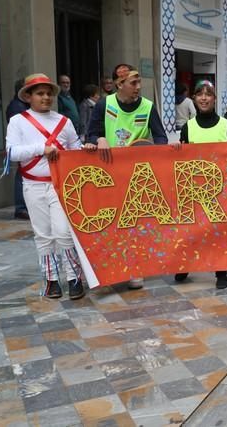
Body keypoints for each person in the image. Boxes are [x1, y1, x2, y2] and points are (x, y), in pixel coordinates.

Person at [85, 63, 168, 289]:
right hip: (109, 175)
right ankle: (110, 268)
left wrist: (153, 151)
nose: (138, 87)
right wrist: (98, 139)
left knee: (135, 225)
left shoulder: (148, 107)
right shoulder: (104, 105)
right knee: (110, 225)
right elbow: (90, 134)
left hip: (137, 178)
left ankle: (134, 269)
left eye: (139, 82)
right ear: (119, 85)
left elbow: (161, 139)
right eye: (133, 83)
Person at [5, 73, 86, 299]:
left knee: (64, 233)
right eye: (40, 93)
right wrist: (42, 148)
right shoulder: (18, 121)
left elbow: (75, 149)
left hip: (61, 186)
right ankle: (51, 280)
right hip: (32, 186)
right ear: (28, 96)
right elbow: (11, 153)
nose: (46, 97)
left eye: (49, 93)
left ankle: (74, 277)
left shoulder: (64, 121)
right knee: (43, 235)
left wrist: (86, 150)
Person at [170, 80, 227, 288]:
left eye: (208, 94)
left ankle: (221, 271)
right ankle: (186, 264)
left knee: (219, 231)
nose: (204, 98)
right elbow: (183, 159)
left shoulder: (226, 126)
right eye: (200, 94)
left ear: (215, 99)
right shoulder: (188, 127)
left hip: (219, 188)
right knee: (191, 229)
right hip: (194, 187)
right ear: (194, 98)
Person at [6, 78, 31, 220]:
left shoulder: (21, 105)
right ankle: (21, 208)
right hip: (23, 147)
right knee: (22, 175)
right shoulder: (17, 107)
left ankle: (23, 207)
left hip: (26, 147)